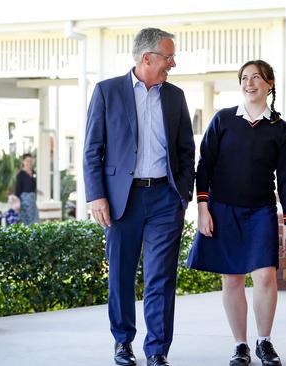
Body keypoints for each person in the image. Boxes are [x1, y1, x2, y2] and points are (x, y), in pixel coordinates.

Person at [83, 28, 195, 366]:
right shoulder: (107, 92)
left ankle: (157, 349)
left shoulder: (175, 96)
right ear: (147, 58)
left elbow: (186, 150)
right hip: (122, 200)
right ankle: (122, 342)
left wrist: (183, 195)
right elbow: (92, 150)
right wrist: (96, 195)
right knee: (120, 273)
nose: (172, 63)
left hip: (164, 199)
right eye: (168, 57)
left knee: (161, 275)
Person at [187, 60, 286, 366]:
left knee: (264, 276)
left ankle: (264, 341)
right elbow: (204, 166)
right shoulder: (222, 120)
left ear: (270, 83)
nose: (250, 83)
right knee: (232, 280)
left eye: (256, 78)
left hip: (260, 211)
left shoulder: (280, 129)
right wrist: (203, 208)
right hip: (222, 210)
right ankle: (240, 345)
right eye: (244, 78)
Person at [15, 153, 39, 225]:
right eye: (27, 161)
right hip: (24, 200)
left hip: (33, 200)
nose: (29, 163)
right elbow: (18, 189)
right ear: (23, 162)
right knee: (26, 220)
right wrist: (18, 202)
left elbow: (33, 186)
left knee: (35, 219)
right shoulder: (21, 174)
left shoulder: (34, 172)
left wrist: (38, 191)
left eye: (31, 161)